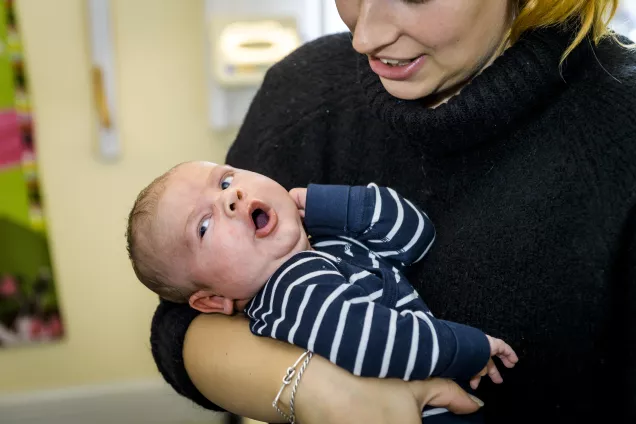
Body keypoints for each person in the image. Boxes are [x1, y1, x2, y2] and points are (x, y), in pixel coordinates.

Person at [147, 0, 636, 422]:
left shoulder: (621, 131)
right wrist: (322, 394)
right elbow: (180, 318)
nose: (365, 37)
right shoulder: (304, 89)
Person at [127, 160, 519, 422]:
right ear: (213, 300)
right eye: (204, 226)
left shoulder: (326, 243)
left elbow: (414, 235)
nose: (230, 198)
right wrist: (469, 348)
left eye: (226, 181)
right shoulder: (292, 292)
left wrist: (323, 205)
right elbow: (376, 342)